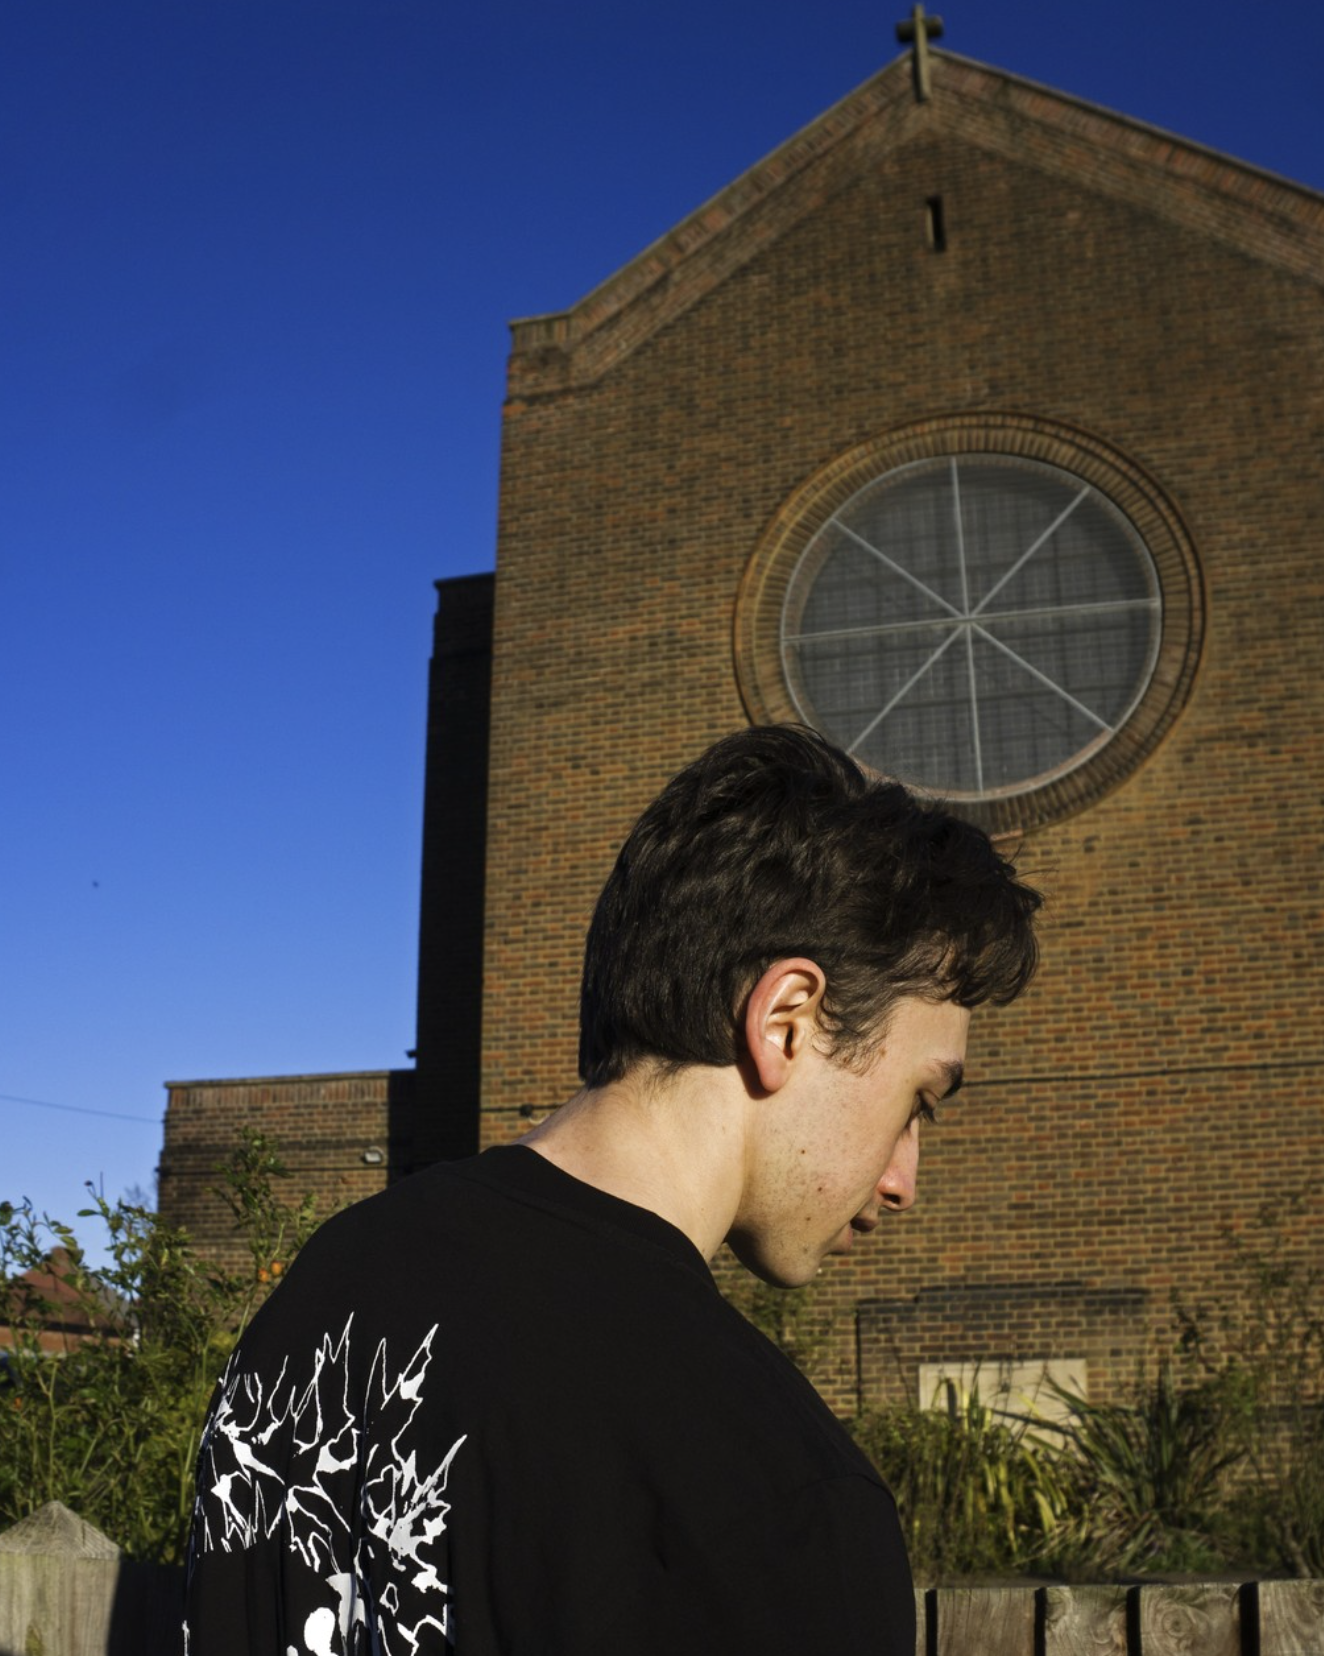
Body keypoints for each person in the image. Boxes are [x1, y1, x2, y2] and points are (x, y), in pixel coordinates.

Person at [184, 724, 1041, 1656]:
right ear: (788, 1020)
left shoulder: (322, 1293)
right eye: (919, 1099)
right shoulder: (775, 1494)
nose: (904, 1176)